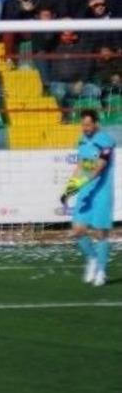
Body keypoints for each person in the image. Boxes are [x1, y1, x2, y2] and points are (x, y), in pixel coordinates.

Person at [63, 109, 115, 287]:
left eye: (88, 124)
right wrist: (69, 190)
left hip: (101, 192)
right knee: (77, 230)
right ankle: (92, 259)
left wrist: (81, 182)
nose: (85, 128)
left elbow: (98, 168)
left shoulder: (106, 142)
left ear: (96, 124)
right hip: (85, 192)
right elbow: (81, 166)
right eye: (83, 124)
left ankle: (101, 270)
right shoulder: (82, 140)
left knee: (101, 233)